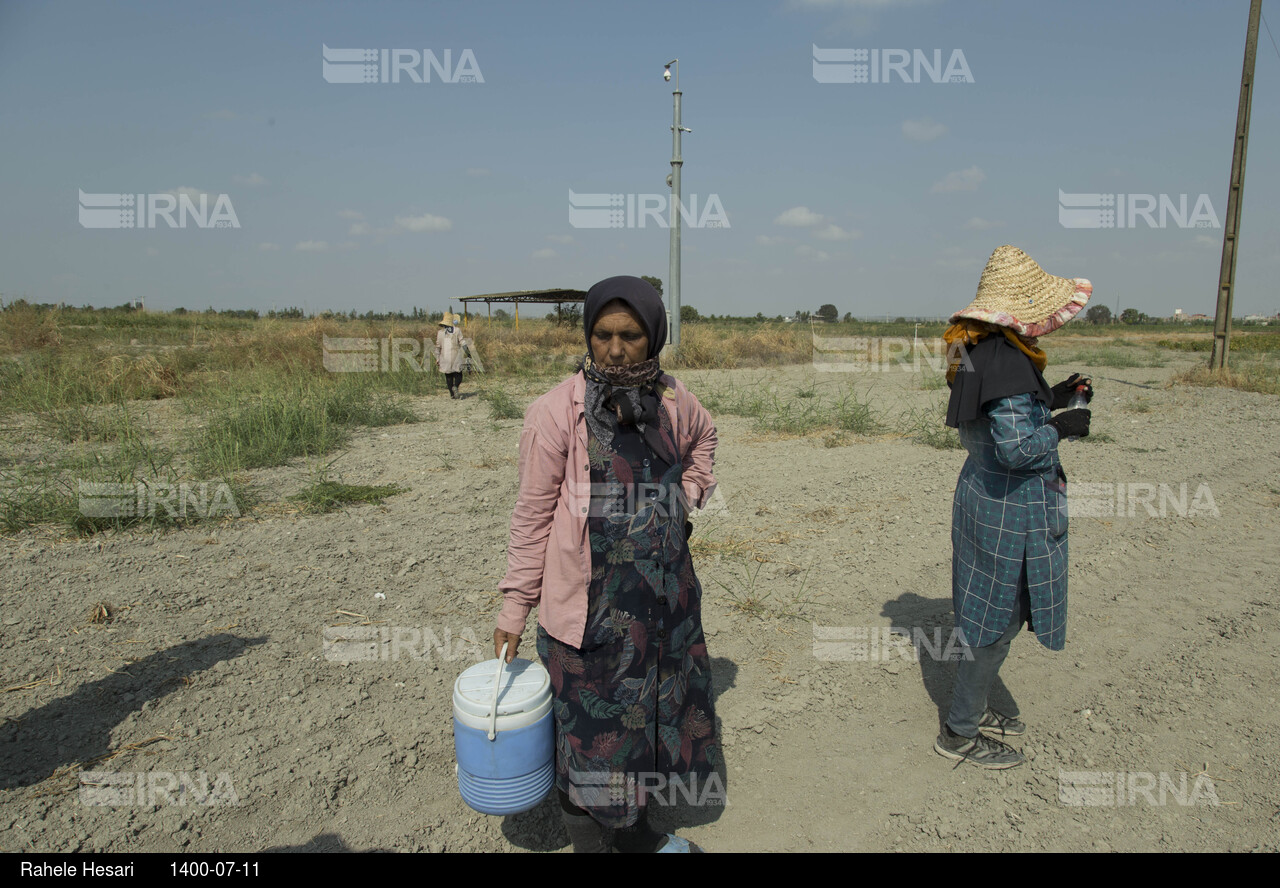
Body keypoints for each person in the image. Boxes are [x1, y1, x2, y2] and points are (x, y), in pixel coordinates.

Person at [493, 276, 720, 852]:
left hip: (663, 603)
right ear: (587, 335)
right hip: (589, 611)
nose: (615, 349)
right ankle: (594, 845)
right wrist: (515, 606)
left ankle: (639, 835)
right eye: (602, 334)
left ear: (654, 336)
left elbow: (705, 442)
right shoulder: (554, 413)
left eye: (630, 335)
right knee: (588, 735)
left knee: (646, 723)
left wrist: (684, 500)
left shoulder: (674, 401)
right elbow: (531, 518)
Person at [935, 245, 1095, 769]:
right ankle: (959, 731)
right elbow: (1019, 447)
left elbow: (991, 419)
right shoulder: (1006, 361)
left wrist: (1052, 396)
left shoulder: (976, 350)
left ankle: (972, 709)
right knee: (996, 623)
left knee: (988, 609)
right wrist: (1062, 425)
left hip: (981, 494)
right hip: (1011, 506)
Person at [434, 312, 470, 399]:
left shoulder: (440, 333)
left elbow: (438, 347)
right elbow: (462, 342)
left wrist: (437, 358)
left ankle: (452, 395)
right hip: (455, 356)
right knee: (459, 374)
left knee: (448, 376)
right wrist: (468, 353)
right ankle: (456, 387)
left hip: (444, 357)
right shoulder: (457, 330)